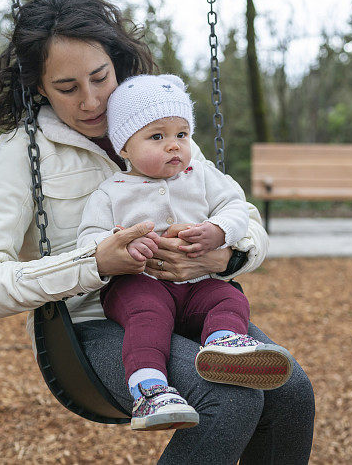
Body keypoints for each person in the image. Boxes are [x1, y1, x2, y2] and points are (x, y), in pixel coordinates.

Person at [0, 0, 314, 464]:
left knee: (292, 391)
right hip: (94, 326)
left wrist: (225, 255)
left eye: (100, 77)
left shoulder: (160, 124)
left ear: (116, 62)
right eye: (67, 87)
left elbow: (244, 218)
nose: (92, 100)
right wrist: (92, 263)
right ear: (39, 87)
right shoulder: (25, 154)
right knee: (227, 398)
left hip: (191, 304)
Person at [76, 73, 294, 431]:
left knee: (228, 297)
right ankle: (150, 390)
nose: (174, 145)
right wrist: (121, 246)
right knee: (147, 319)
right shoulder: (111, 192)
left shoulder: (202, 174)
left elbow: (236, 206)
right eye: (157, 136)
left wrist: (219, 231)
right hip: (138, 284)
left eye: (182, 134)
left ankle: (223, 343)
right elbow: (88, 243)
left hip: (198, 281)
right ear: (124, 148)